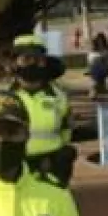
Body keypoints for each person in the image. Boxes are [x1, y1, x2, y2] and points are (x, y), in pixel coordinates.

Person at [10, 35, 76, 185]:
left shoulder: (58, 96)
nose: (33, 64)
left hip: (52, 164)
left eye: (38, 60)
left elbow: (66, 129)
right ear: (15, 62)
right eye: (27, 59)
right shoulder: (6, 96)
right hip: (16, 165)